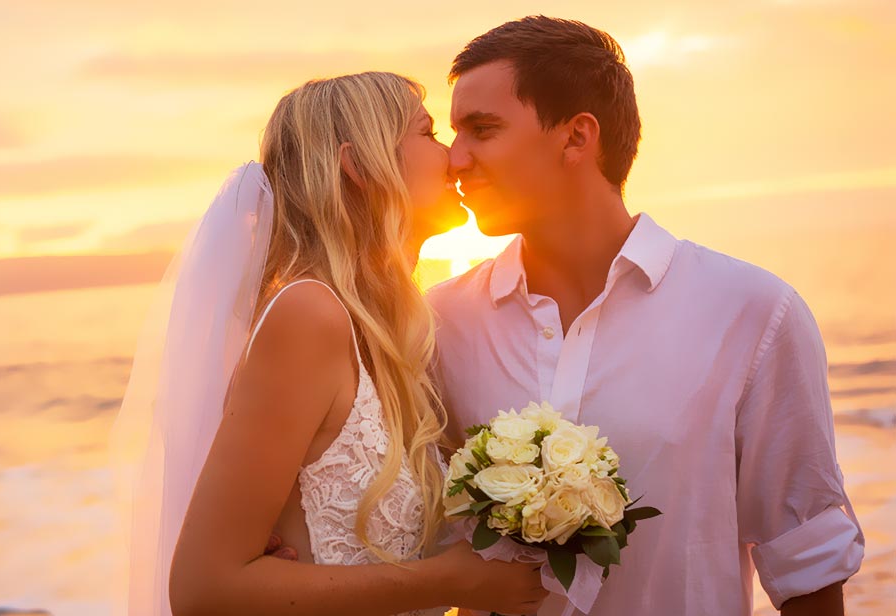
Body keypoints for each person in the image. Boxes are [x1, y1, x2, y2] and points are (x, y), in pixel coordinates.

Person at [429, 16, 865, 616]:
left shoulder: (752, 311)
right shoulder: (437, 322)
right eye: (455, 134)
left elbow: (806, 566)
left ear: (576, 138)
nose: (455, 159)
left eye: (483, 129)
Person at [116, 71, 548, 615]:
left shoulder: (395, 331)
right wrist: (449, 582)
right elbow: (204, 590)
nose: (455, 157)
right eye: (429, 133)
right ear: (359, 166)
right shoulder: (309, 315)